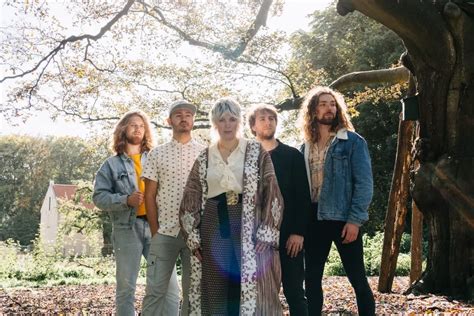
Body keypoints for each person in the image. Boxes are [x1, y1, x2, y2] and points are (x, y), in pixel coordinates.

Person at [179, 98, 284, 315]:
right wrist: (193, 236)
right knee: (216, 283)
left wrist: (267, 231)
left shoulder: (256, 152)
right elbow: (191, 196)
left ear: (240, 122)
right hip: (213, 223)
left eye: (232, 119)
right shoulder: (205, 156)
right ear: (215, 123)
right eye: (222, 120)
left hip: (248, 223)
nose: (227, 124)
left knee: (249, 282)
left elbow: (272, 192)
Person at [298, 86, 376, 315]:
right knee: (311, 279)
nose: (328, 108)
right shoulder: (304, 147)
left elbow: (364, 184)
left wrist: (355, 220)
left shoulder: (352, 141)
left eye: (332, 104)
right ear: (313, 111)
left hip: (343, 219)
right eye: (322, 104)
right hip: (314, 218)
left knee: (358, 279)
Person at [93, 110, 178, 316]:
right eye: (133, 125)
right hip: (126, 229)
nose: (138, 129)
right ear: (123, 129)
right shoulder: (111, 165)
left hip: (157, 227)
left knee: (168, 284)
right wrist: (125, 200)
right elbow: (98, 198)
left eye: (141, 125)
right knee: (126, 287)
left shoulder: (157, 158)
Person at [141, 100, 205, 316]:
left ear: (193, 120)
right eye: (178, 114)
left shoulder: (206, 153)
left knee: (192, 293)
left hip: (195, 235)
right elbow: (149, 195)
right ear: (169, 121)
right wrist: (155, 231)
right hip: (164, 233)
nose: (184, 118)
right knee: (155, 291)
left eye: (188, 114)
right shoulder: (156, 154)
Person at [247, 103, 311, 316]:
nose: (268, 122)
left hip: (288, 238)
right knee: (260, 295)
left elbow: (303, 197)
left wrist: (298, 233)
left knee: (294, 293)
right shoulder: (246, 157)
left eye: (271, 118)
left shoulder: (292, 155)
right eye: (262, 118)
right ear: (253, 126)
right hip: (255, 240)